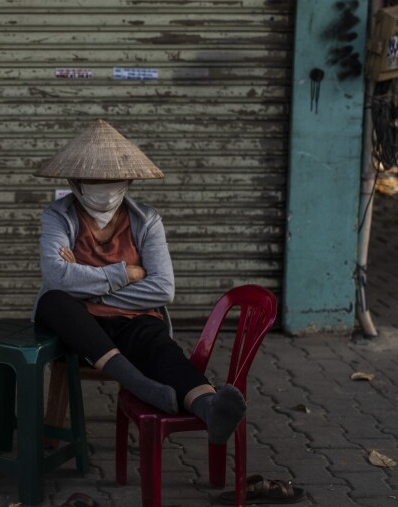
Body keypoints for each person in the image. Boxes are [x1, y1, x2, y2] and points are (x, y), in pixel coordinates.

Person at [32, 120, 246, 445]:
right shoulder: (57, 216)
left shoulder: (147, 221)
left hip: (134, 320)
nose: (105, 185)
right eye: (95, 179)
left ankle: (209, 405)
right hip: (79, 327)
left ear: (128, 180)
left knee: (161, 349)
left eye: (113, 179)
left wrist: (88, 288)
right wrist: (125, 274)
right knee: (54, 301)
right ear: (76, 182)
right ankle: (138, 383)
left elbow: (163, 288)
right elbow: (57, 277)